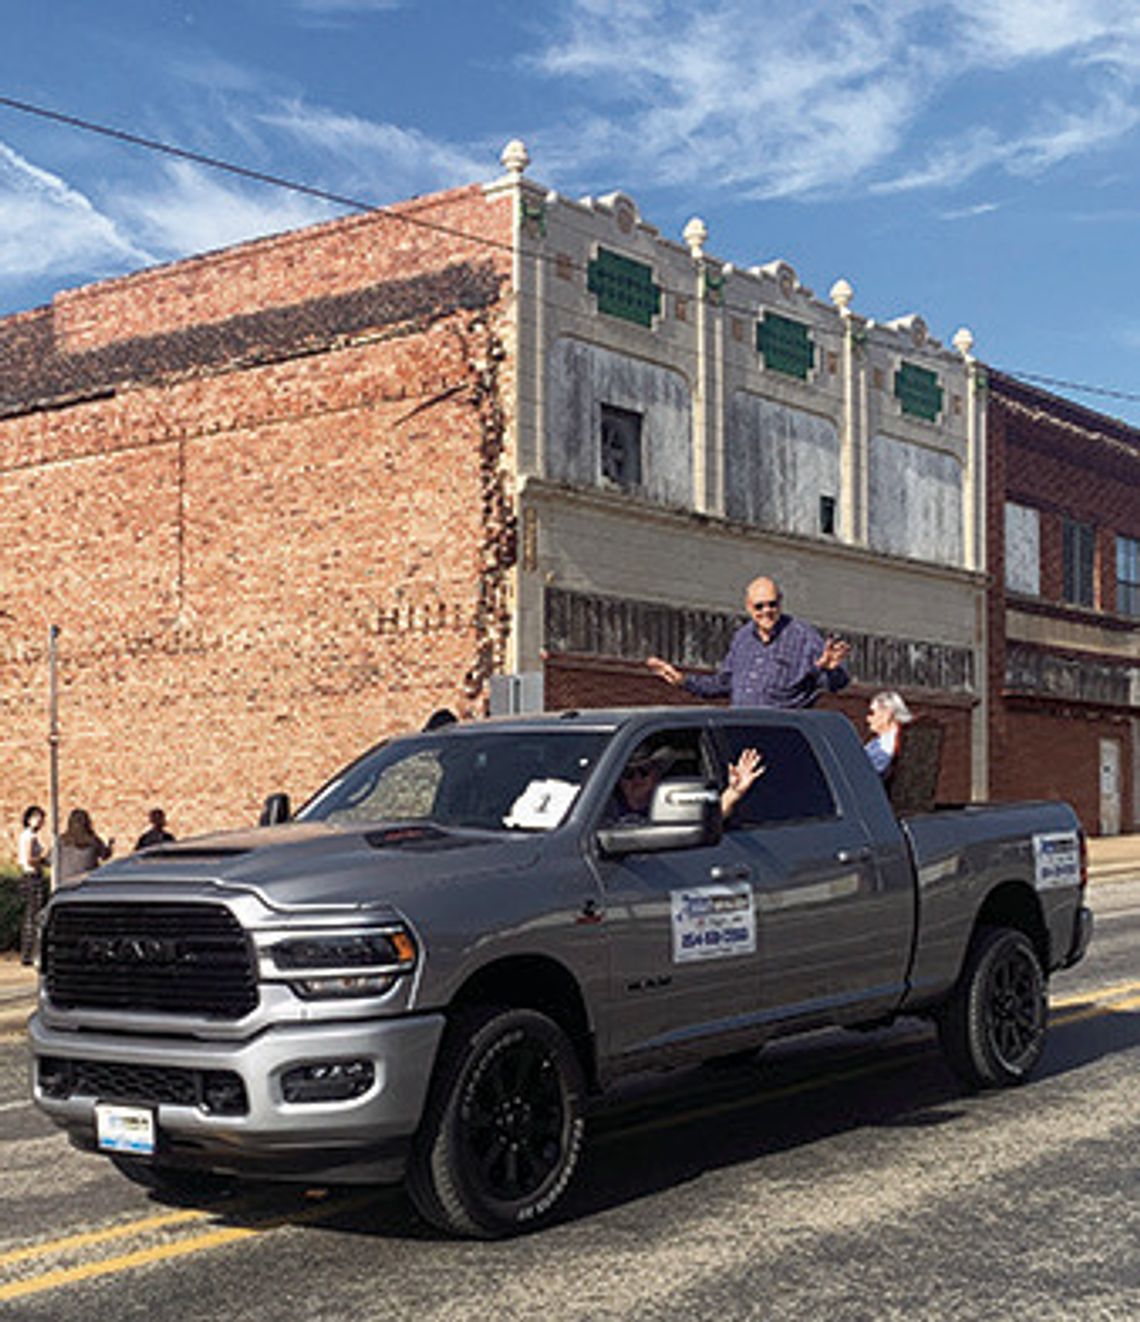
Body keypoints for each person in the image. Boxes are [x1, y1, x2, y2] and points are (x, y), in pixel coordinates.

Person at [647, 575, 851, 708]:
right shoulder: (742, 638)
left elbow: (836, 684)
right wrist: (683, 681)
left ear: (781, 602)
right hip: (743, 733)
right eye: (759, 606)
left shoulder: (803, 636)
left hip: (783, 738)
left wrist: (830, 669)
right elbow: (723, 684)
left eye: (772, 604)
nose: (766, 611)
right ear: (748, 607)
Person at [607, 743, 765, 824]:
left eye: (644, 772)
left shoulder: (674, 804)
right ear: (619, 780)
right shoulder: (602, 808)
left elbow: (708, 823)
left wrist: (733, 793)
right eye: (627, 774)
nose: (636, 780)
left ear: (657, 775)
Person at [17, 804, 48, 966]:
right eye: (37, 818)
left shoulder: (29, 836)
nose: (40, 821)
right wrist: (44, 860)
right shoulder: (29, 836)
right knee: (33, 916)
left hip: (31, 876)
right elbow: (29, 859)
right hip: (32, 876)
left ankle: (28, 953)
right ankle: (29, 954)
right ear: (29, 819)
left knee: (32, 915)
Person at [56, 808, 113, 886]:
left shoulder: (61, 841)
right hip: (87, 884)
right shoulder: (93, 841)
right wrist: (110, 844)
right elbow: (105, 855)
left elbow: (49, 860)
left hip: (64, 885)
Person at [864, 690, 914, 777]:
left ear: (887, 715)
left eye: (872, 713)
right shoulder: (881, 740)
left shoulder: (887, 746)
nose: (868, 719)